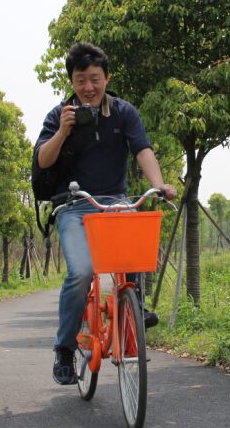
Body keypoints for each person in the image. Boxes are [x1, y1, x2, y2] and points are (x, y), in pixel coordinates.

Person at [33, 41, 177, 385]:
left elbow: (142, 149)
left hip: (115, 202)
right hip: (73, 205)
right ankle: (64, 349)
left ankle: (133, 306)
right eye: (81, 80)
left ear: (107, 78)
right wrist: (64, 131)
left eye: (95, 78)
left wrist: (158, 185)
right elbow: (43, 161)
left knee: (134, 254)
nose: (89, 87)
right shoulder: (59, 115)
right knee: (82, 272)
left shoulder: (124, 112)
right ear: (72, 82)